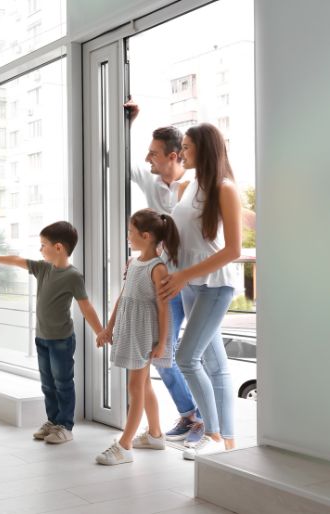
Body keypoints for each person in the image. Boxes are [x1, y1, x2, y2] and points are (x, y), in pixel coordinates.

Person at [0, 221, 103, 444]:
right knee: (47, 383)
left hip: (61, 340)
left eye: (43, 245)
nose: (40, 249)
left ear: (59, 248)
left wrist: (100, 331)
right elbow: (16, 260)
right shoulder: (43, 268)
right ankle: (52, 421)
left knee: (63, 382)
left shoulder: (73, 276)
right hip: (42, 338)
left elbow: (86, 306)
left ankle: (65, 426)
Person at [158, 123, 242, 460]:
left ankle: (212, 433)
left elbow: (233, 249)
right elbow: (180, 240)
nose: (183, 152)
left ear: (204, 149)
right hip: (189, 282)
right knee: (214, 361)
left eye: (188, 147)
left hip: (215, 284)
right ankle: (228, 440)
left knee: (186, 357)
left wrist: (183, 276)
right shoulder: (188, 187)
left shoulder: (225, 189)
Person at [124, 99, 203, 446]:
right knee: (162, 355)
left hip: (196, 282)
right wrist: (128, 121)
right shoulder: (150, 182)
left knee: (195, 356)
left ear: (175, 156)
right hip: (164, 282)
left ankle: (206, 422)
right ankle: (190, 416)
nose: (148, 159)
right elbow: (124, 161)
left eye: (155, 153)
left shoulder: (196, 187)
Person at [95, 208, 181, 465]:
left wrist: (163, 342)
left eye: (131, 232)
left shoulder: (157, 269)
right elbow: (123, 298)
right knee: (143, 385)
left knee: (134, 387)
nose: (128, 236)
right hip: (128, 329)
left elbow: (164, 308)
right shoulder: (133, 263)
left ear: (145, 235)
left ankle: (125, 445)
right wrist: (108, 328)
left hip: (145, 335)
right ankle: (155, 435)